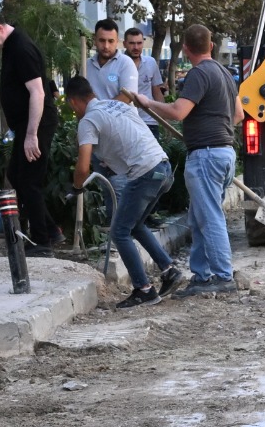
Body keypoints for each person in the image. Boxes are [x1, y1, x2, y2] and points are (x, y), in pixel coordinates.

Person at [134, 22, 237, 294]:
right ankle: (202, 276)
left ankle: (223, 276)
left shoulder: (199, 74)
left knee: (209, 216)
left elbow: (179, 112)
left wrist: (148, 103)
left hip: (206, 155)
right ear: (211, 46)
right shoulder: (224, 73)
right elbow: (238, 115)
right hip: (224, 152)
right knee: (199, 216)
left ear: (186, 48)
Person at [70, 72, 184, 307]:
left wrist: (76, 187)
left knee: (120, 231)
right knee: (136, 224)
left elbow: (82, 166)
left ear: (73, 101)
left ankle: (144, 289)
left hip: (145, 173)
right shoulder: (115, 105)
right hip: (163, 168)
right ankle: (169, 270)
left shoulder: (88, 121)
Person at [0, 8, 62, 248]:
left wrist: (32, 134)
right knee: (16, 177)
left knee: (29, 182)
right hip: (25, 125)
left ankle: (43, 242)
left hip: (36, 123)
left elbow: (37, 92)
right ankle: (52, 230)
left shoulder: (21, 47)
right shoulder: (10, 45)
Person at [87, 17, 140, 112]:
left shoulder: (126, 63)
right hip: (95, 124)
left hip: (122, 124)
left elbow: (127, 97)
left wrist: (99, 112)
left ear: (117, 41)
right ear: (95, 40)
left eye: (110, 41)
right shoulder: (87, 65)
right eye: (102, 40)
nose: (106, 46)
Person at [123, 26, 163, 102]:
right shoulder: (117, 64)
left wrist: (163, 112)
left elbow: (157, 92)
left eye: (139, 43)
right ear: (124, 44)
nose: (136, 47)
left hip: (148, 112)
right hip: (125, 112)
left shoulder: (151, 62)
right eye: (132, 43)